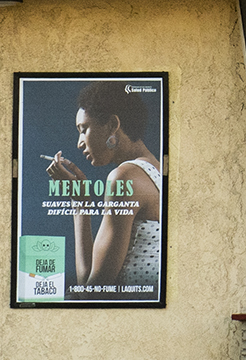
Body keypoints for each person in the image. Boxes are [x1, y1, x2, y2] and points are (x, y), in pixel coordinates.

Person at [43, 81, 163, 294]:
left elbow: (92, 291)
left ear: (112, 125)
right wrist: (80, 200)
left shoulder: (124, 177)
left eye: (84, 129)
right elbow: (93, 280)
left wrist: (79, 205)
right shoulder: (157, 170)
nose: (80, 143)